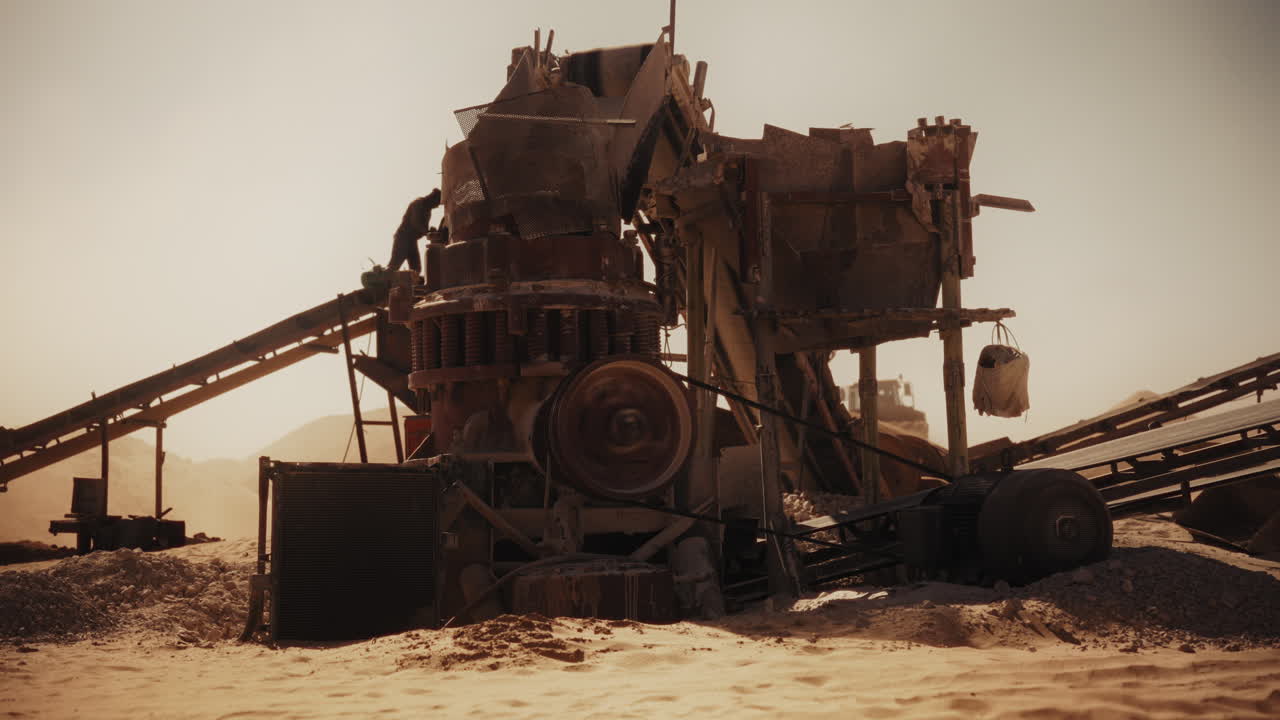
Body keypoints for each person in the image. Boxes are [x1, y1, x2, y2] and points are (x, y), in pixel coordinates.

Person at [387, 189, 442, 273]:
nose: (437, 206)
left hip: (412, 241)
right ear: (432, 198)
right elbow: (416, 223)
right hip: (402, 238)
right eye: (437, 203)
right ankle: (383, 282)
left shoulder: (428, 210)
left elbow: (423, 228)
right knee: (394, 266)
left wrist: (431, 230)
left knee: (416, 269)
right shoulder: (417, 204)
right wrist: (428, 232)